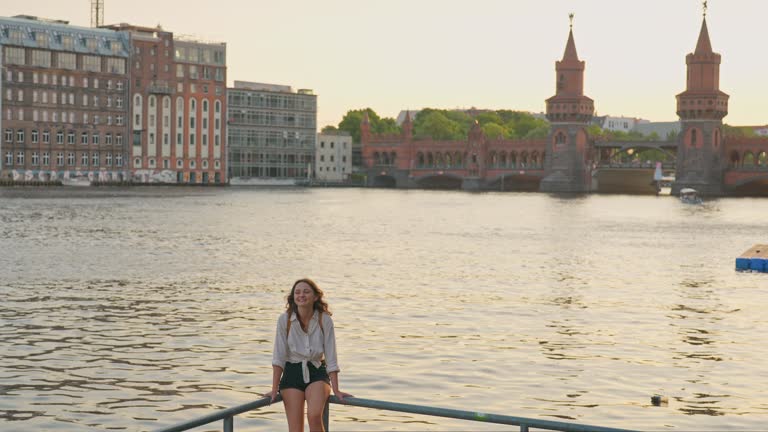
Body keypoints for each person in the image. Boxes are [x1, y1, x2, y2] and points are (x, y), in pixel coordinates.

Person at [266, 278, 352, 432]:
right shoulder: (284, 320)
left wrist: (337, 389)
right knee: (295, 429)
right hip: (291, 374)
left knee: (313, 416)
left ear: (315, 296)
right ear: (293, 297)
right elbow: (278, 357)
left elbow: (331, 357)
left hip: (317, 372)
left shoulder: (324, 319)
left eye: (306, 291)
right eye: (297, 292)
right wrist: (274, 389)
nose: (301, 295)